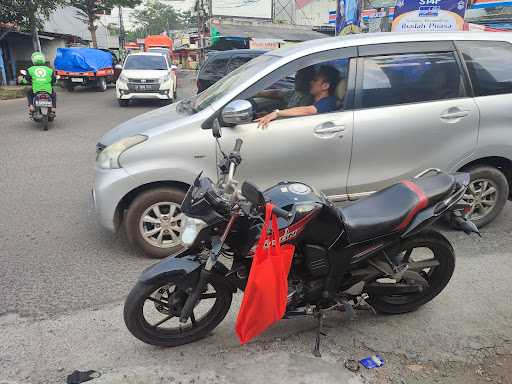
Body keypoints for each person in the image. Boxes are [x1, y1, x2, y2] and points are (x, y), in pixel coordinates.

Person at [256, 65, 340, 129]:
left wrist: (277, 113)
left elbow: (308, 111)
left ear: (325, 86)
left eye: (315, 80)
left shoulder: (329, 102)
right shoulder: (313, 99)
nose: (310, 82)